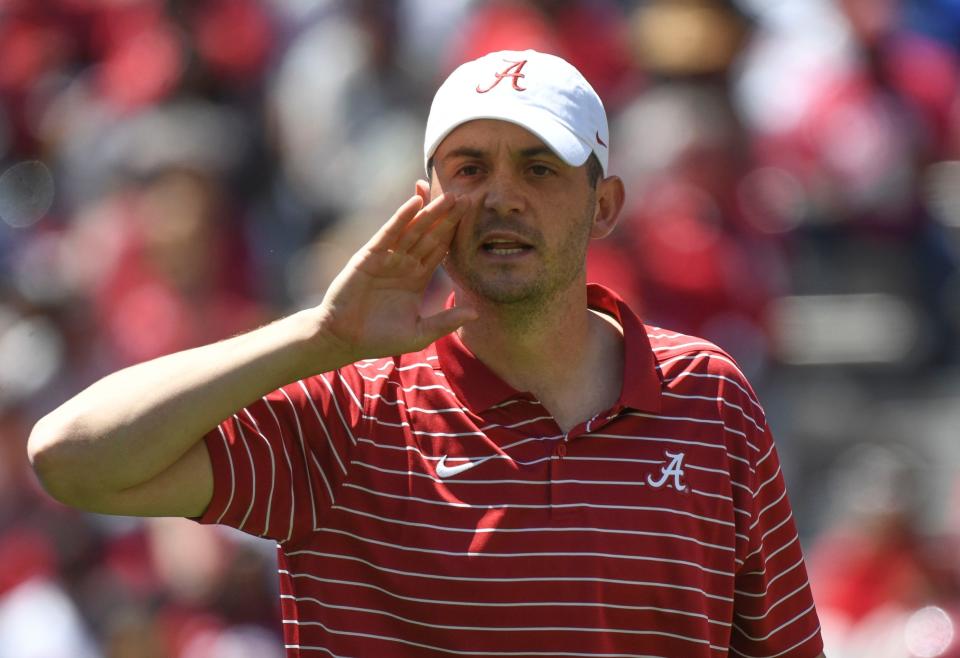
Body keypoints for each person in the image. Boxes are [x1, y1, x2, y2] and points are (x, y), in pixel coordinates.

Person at [28, 50, 825, 658]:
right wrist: (318, 337)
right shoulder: (350, 409)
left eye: (539, 167)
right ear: (426, 201)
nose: (500, 196)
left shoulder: (709, 397)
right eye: (469, 169)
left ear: (605, 205)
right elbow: (71, 457)